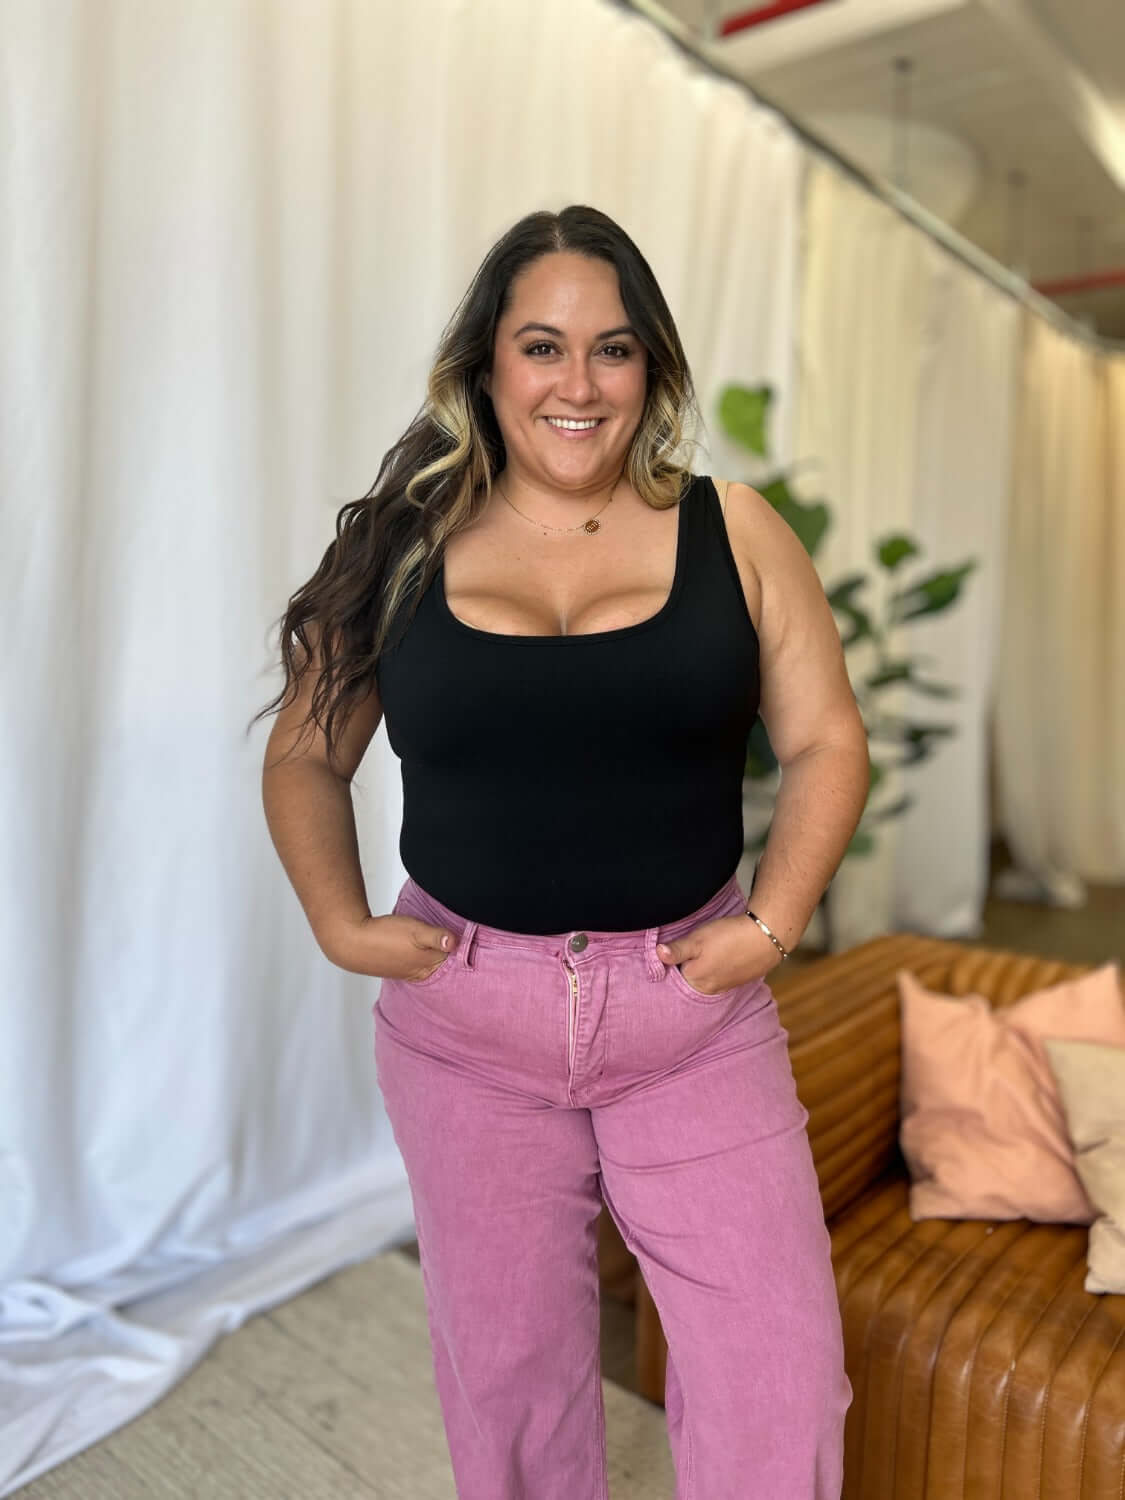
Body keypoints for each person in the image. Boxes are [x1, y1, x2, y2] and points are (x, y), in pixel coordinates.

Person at [255, 205, 868, 1500]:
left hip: (689, 1016)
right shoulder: (403, 546)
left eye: (612, 348)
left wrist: (771, 922)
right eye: (542, 347)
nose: (576, 384)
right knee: (512, 1383)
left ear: (653, 370)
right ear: (485, 365)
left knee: (780, 1380)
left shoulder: (736, 531)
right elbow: (307, 753)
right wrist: (340, 922)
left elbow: (822, 742)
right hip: (465, 1026)